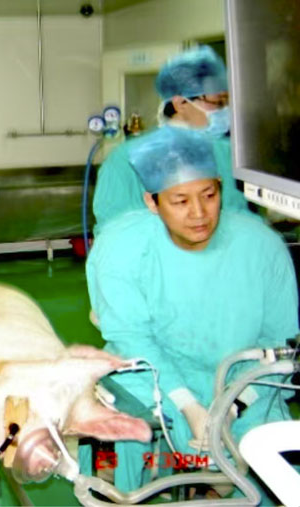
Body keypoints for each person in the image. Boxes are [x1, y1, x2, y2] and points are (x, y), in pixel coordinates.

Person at [85, 127, 299, 495]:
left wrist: (233, 405)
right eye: (180, 201)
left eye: (209, 195)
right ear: (152, 202)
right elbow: (133, 338)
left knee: (269, 459)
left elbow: (279, 345)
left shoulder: (261, 247)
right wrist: (188, 404)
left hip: (245, 380)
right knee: (119, 438)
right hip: (151, 376)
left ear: (220, 187)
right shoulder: (122, 249)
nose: (199, 213)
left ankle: (217, 490)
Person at [92, 45, 249, 235]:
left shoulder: (225, 152)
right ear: (180, 102)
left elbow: (240, 217)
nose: (225, 111)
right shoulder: (125, 160)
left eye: (228, 102)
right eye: (218, 102)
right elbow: (114, 233)